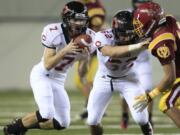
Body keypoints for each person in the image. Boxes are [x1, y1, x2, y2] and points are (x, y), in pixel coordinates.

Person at [3, 1, 95, 135]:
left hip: (58, 80)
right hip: (43, 75)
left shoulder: (89, 37)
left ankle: (22, 125)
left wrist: (86, 59)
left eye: (82, 20)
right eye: (76, 19)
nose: (79, 24)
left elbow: (82, 75)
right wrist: (65, 50)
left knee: (62, 123)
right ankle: (13, 130)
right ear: (67, 18)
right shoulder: (54, 31)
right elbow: (47, 65)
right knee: (46, 112)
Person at [87, 10, 153, 135]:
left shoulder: (140, 36)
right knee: (92, 120)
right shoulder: (103, 36)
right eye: (123, 34)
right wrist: (138, 46)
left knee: (142, 119)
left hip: (129, 78)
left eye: (130, 34)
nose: (127, 37)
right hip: (104, 79)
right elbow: (110, 52)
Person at [132, 2, 180, 128]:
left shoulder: (161, 42)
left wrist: (150, 96)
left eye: (141, 25)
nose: (139, 28)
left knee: (166, 103)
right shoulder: (169, 19)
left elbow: (170, 77)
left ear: (152, 21)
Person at [120, 0, 153, 129]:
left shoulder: (151, 16)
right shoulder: (126, 15)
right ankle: (125, 115)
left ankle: (149, 119)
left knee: (148, 90)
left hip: (143, 59)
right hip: (129, 59)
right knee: (124, 92)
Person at [74, 0, 107, 120]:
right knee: (79, 81)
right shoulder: (84, 6)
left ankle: (92, 107)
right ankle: (90, 106)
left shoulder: (94, 7)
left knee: (88, 80)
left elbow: (98, 24)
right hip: (86, 46)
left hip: (93, 47)